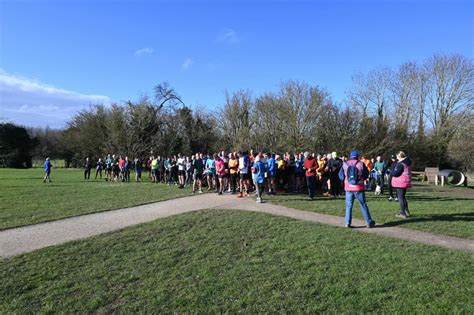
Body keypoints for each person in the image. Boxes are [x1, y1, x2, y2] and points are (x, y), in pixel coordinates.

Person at [339, 150, 376, 228]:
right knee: (363, 205)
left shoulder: (345, 164)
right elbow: (366, 175)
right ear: (358, 156)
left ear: (350, 156)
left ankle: (347, 223)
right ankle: (368, 222)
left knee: (348, 206)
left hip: (348, 188)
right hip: (359, 187)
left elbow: (341, 176)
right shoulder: (361, 164)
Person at [391, 151, 412, 218]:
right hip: (405, 182)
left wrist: (390, 171)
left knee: (400, 198)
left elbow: (396, 173)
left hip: (400, 183)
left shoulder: (401, 164)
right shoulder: (407, 163)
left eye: (397, 156)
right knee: (403, 197)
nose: (396, 157)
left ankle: (403, 213)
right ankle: (406, 211)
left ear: (399, 156)